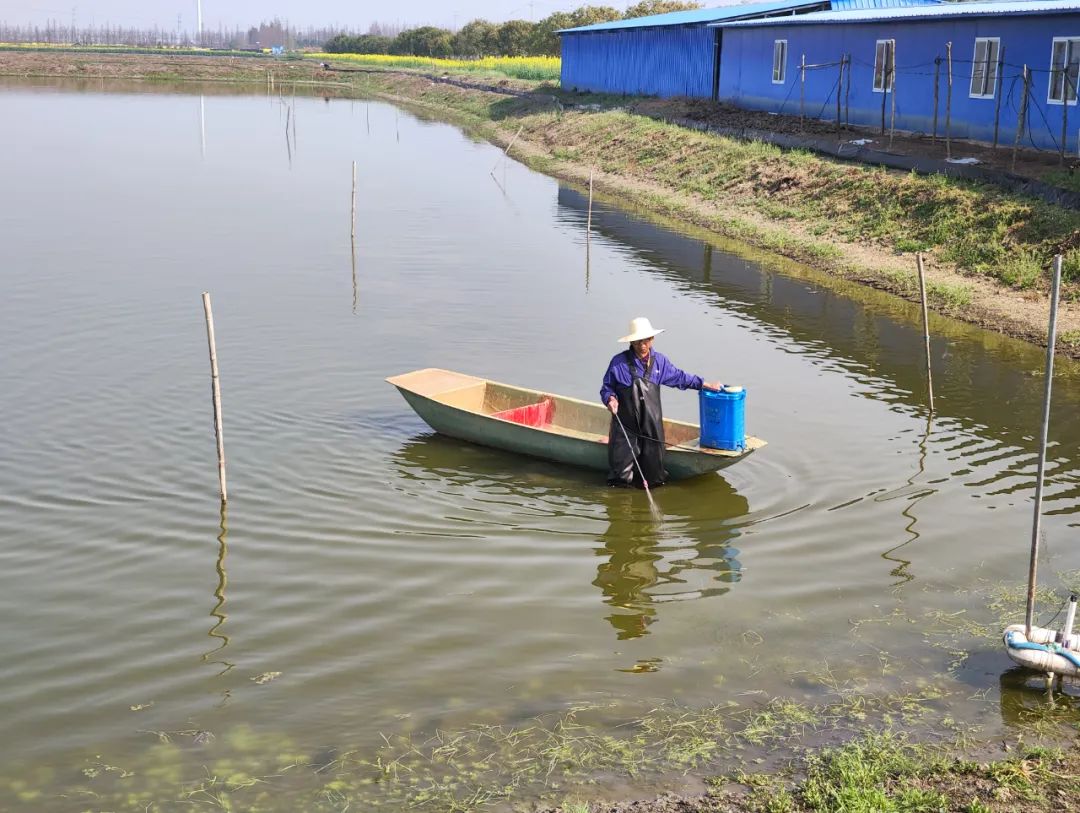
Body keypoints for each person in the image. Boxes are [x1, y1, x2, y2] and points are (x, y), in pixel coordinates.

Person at [600, 317, 721, 488]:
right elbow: (607, 388)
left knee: (655, 477)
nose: (642, 345)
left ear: (652, 339)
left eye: (646, 340)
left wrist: (704, 384)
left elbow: (680, 377)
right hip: (626, 430)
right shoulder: (618, 363)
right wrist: (610, 399)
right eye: (637, 342)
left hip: (652, 429)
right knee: (620, 478)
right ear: (631, 342)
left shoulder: (660, 362)